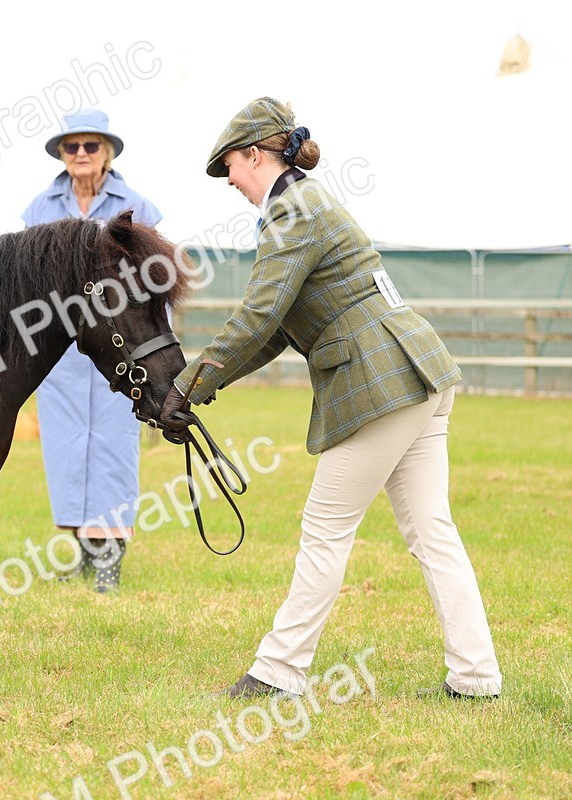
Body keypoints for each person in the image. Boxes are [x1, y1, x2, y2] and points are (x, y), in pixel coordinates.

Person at [159, 97, 502, 699]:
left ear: (255, 154)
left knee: (325, 528)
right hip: (417, 371)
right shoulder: (304, 206)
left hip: (383, 382)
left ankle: (278, 672)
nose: (232, 181)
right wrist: (203, 385)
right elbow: (277, 329)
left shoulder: (292, 212)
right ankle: (476, 677)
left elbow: (260, 313)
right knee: (432, 531)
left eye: (232, 167)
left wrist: (188, 385)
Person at [21, 108, 162, 593]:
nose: (81, 155)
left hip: (118, 349)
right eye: (71, 147)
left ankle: (110, 558)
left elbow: (151, 272)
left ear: (107, 152)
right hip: (59, 353)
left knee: (112, 449)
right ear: (62, 153)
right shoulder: (40, 207)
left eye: (90, 146)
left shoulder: (137, 205)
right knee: (66, 452)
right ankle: (83, 550)